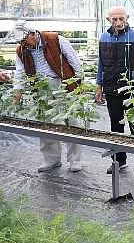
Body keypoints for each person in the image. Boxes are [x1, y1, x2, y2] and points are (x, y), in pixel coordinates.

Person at [13, 20, 84, 172]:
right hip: (41, 88)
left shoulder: (55, 39)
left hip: (63, 83)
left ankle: (74, 160)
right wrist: (17, 92)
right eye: (21, 42)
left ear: (33, 33)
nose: (24, 44)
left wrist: (79, 84)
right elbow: (19, 73)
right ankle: (52, 159)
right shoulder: (21, 50)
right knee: (46, 124)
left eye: (25, 41)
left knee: (72, 121)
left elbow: (74, 61)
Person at [95, 6, 134, 178]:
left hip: (132, 88)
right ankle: (119, 160)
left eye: (121, 19)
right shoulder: (104, 38)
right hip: (112, 88)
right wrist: (99, 85)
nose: (118, 23)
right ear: (108, 20)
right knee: (115, 126)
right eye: (114, 19)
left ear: (127, 18)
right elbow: (101, 64)